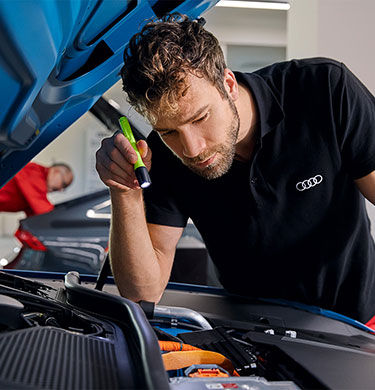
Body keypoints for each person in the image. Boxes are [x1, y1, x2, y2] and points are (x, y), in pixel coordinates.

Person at [95, 14, 375, 325]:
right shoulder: (159, 156)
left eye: (200, 118)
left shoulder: (323, 90)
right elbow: (141, 294)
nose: (192, 149)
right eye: (169, 131)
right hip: (250, 336)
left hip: (358, 325)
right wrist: (124, 192)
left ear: (228, 84)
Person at [0, 162, 74, 216]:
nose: (61, 189)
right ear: (56, 172)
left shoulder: (34, 195)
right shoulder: (34, 171)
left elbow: (36, 220)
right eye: (64, 184)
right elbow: (45, 213)